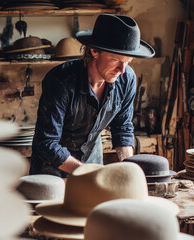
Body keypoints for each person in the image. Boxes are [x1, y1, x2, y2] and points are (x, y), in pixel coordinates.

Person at [29, 14, 155, 178]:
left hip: (92, 163)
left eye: (128, 61)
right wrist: (91, 172)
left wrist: (129, 172)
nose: (122, 69)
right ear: (94, 51)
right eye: (116, 60)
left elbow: (122, 129)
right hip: (51, 172)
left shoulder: (126, 79)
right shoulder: (60, 81)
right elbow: (47, 143)